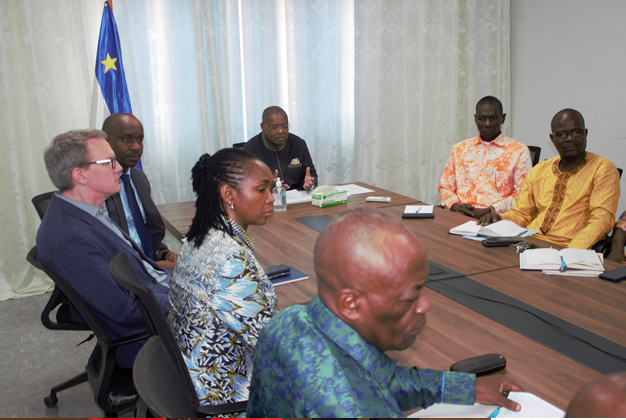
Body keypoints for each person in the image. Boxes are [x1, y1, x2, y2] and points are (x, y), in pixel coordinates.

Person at [247, 208, 522, 418]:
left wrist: (464, 388)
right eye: (411, 296)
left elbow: (381, 378)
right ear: (351, 304)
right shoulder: (359, 409)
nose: (425, 305)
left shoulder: (288, 320)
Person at [36, 129, 171, 369]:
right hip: (149, 338)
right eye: (109, 162)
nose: (118, 167)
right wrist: (190, 298)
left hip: (156, 294)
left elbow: (137, 271)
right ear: (80, 175)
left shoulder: (87, 211)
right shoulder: (70, 238)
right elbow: (125, 311)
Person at [168, 148, 279, 412]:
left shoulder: (201, 237)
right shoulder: (231, 262)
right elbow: (278, 348)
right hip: (228, 396)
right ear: (229, 195)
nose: (272, 199)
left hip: (196, 380)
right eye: (262, 190)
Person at [479, 109, 620, 249]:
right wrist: (500, 218)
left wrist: (571, 252)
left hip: (567, 246)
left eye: (576, 132)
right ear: (552, 139)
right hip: (529, 241)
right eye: (562, 134)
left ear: (585, 134)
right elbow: (522, 214)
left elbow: (602, 220)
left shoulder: (602, 169)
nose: (570, 138)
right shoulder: (540, 170)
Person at [102, 113, 178, 270]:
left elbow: (145, 230)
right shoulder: (100, 186)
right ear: (106, 142)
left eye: (140, 140)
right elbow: (106, 248)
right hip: (126, 273)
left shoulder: (138, 178)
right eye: (126, 139)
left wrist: (162, 253)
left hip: (149, 262)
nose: (136, 146)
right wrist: (150, 267)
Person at [439, 96, 532, 219]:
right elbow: (445, 188)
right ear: (475, 119)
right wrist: (456, 206)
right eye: (482, 119)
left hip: (497, 219)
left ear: (503, 118)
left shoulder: (519, 151)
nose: (487, 124)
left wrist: (491, 210)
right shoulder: (460, 149)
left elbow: (522, 195)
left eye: (493, 118)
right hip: (460, 217)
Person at [242, 106, 317, 190]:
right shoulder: (250, 149)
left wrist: (310, 183)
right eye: (274, 128)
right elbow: (245, 185)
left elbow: (311, 175)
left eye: (285, 126)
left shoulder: (298, 144)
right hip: (268, 199)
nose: (280, 131)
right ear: (263, 127)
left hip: (297, 198)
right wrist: (268, 187)